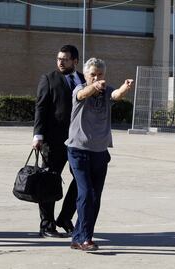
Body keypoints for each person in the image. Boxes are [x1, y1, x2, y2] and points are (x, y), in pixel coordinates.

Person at [66, 57, 133, 251]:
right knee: (86, 193)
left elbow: (117, 95)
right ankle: (84, 238)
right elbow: (83, 94)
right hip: (78, 150)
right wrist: (94, 86)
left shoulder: (106, 90)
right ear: (85, 75)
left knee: (95, 197)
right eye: (92, 74)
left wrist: (124, 87)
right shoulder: (79, 89)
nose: (96, 77)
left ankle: (80, 236)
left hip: (100, 152)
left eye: (100, 74)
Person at [32, 45, 85, 238]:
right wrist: (38, 135)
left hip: (79, 141)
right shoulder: (49, 79)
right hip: (53, 141)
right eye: (58, 59)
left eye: (65, 59)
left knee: (81, 179)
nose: (60, 62)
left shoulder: (84, 79)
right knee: (49, 182)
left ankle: (64, 217)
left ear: (75, 61)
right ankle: (47, 225)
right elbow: (41, 107)